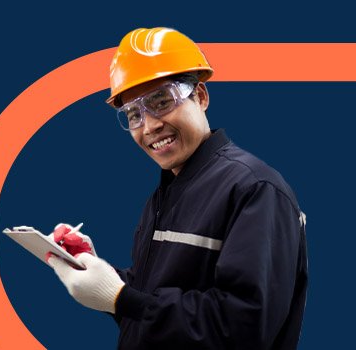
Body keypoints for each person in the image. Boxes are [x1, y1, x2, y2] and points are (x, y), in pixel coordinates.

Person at [47, 27, 308, 349]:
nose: (150, 125)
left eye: (161, 101)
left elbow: (244, 327)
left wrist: (120, 298)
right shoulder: (169, 190)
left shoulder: (254, 189)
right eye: (133, 114)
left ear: (200, 96)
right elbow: (155, 300)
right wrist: (99, 272)